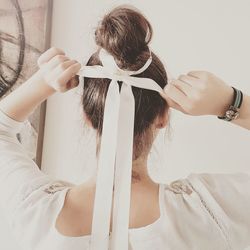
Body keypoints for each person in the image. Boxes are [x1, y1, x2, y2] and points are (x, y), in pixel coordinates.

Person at [0, 6, 249, 250]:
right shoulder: (208, 212)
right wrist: (232, 102)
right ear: (163, 117)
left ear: (87, 115)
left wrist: (42, 82)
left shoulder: (36, 212)